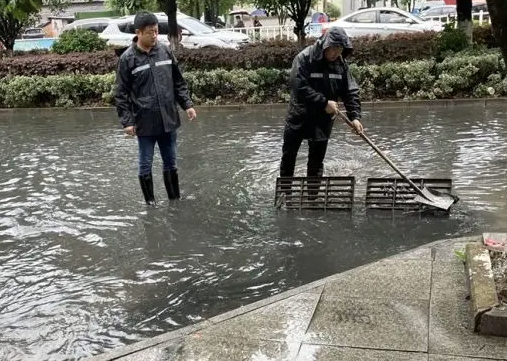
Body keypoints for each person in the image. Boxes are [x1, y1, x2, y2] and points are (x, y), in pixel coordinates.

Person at [114, 11, 197, 206]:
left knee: (171, 163)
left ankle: (175, 201)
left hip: (168, 119)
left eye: (156, 31)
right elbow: (121, 93)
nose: (154, 36)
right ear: (139, 33)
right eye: (150, 32)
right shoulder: (127, 59)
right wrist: (127, 122)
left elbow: (178, 81)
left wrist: (187, 105)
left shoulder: (165, 51)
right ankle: (150, 204)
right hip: (145, 122)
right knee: (145, 166)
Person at [279, 26, 363, 195]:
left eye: (339, 49)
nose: (335, 54)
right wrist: (323, 102)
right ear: (325, 45)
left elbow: (350, 92)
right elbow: (298, 87)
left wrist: (355, 117)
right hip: (299, 116)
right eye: (333, 49)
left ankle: (312, 196)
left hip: (323, 120)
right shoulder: (304, 58)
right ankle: (284, 193)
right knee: (289, 156)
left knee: (317, 161)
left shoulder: (341, 65)